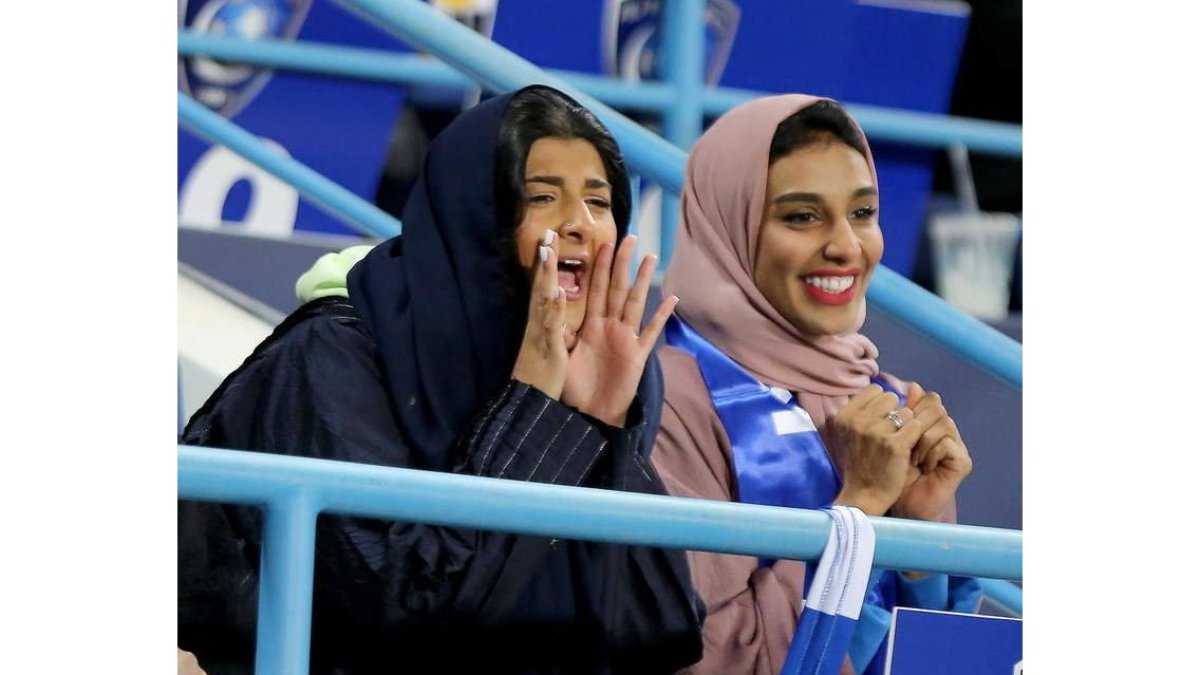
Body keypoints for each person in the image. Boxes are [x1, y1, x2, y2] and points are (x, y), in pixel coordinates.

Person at [177, 84, 703, 674]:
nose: (582, 225)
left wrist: (601, 429)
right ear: (472, 216)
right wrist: (535, 407)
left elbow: (664, 630)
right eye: (542, 197)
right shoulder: (331, 359)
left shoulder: (601, 374)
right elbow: (408, 611)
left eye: (600, 202)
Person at [650, 94, 981, 675]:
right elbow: (711, 655)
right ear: (729, 224)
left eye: (862, 213)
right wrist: (860, 510)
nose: (845, 246)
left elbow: (933, 659)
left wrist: (919, 538)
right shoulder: (663, 397)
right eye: (801, 216)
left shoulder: (880, 394)